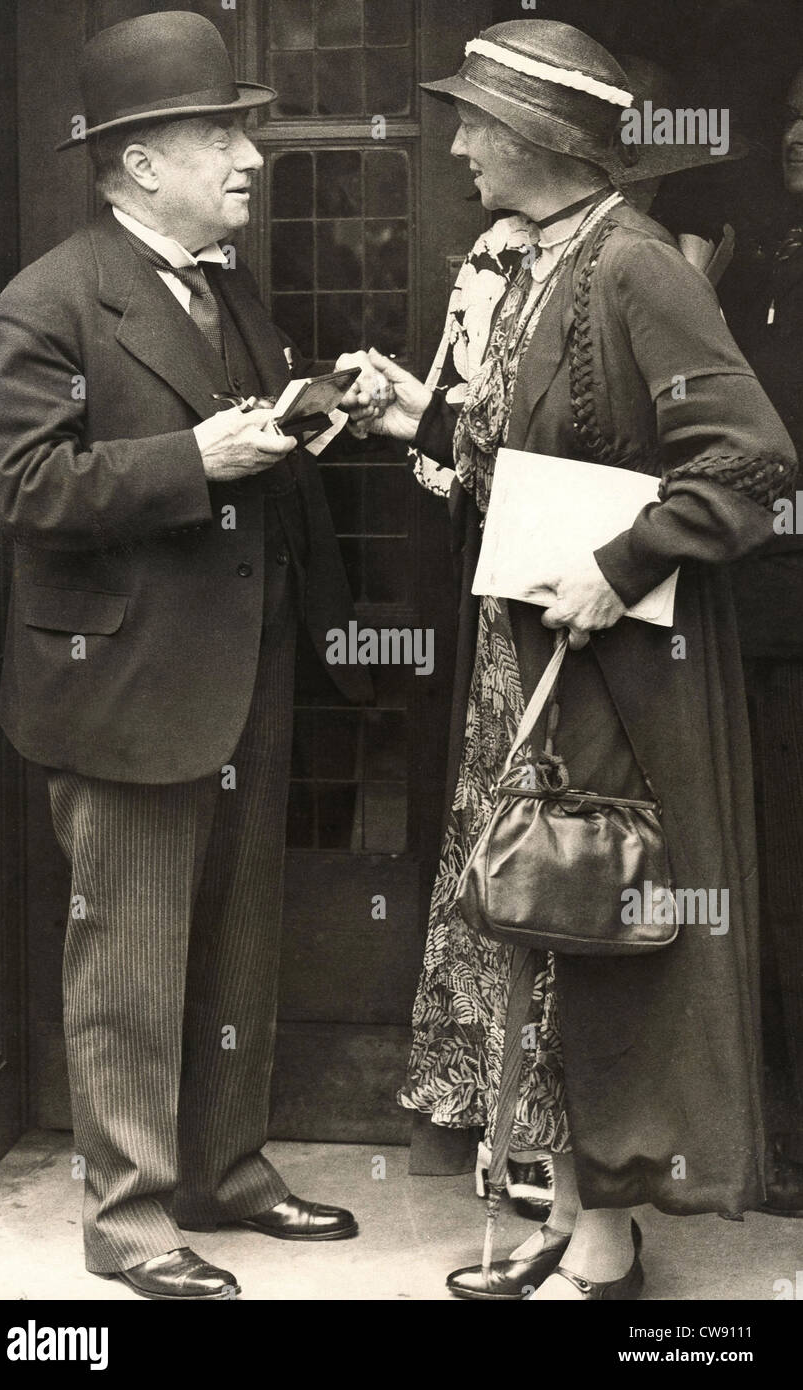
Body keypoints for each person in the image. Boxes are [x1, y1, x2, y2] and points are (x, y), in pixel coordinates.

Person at [341, 18, 796, 1300]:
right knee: (539, 923)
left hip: (616, 672)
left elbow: (751, 462)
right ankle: (570, 1212)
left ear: (544, 142)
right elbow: (531, 448)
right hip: (531, 660)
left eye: (479, 123)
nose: (461, 143)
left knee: (589, 927)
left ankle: (606, 1240)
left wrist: (621, 563)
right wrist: (418, 415)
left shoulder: (636, 265)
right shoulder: (548, 258)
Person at [0, 11, 371, 1301]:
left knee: (237, 943)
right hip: (123, 689)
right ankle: (132, 1217)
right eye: (223, 135)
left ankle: (225, 1167)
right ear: (140, 161)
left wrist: (314, 418)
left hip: (244, 675)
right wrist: (195, 462)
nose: (252, 156)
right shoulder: (45, 300)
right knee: (130, 961)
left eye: (243, 130)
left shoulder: (227, 285)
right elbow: (27, 489)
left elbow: (240, 439)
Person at [728, 64, 803, 1218]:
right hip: (771, 616)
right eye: (794, 132)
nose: (798, 148)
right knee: (776, 876)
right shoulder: (775, 268)